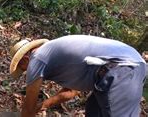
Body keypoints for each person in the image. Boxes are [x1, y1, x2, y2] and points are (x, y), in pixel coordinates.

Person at [9, 35, 146, 117]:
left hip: (122, 69)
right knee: (93, 111)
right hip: (123, 67)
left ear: (25, 59)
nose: (27, 72)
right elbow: (71, 92)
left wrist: (31, 109)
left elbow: (27, 108)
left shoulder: (37, 58)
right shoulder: (52, 55)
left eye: (23, 69)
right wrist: (43, 105)